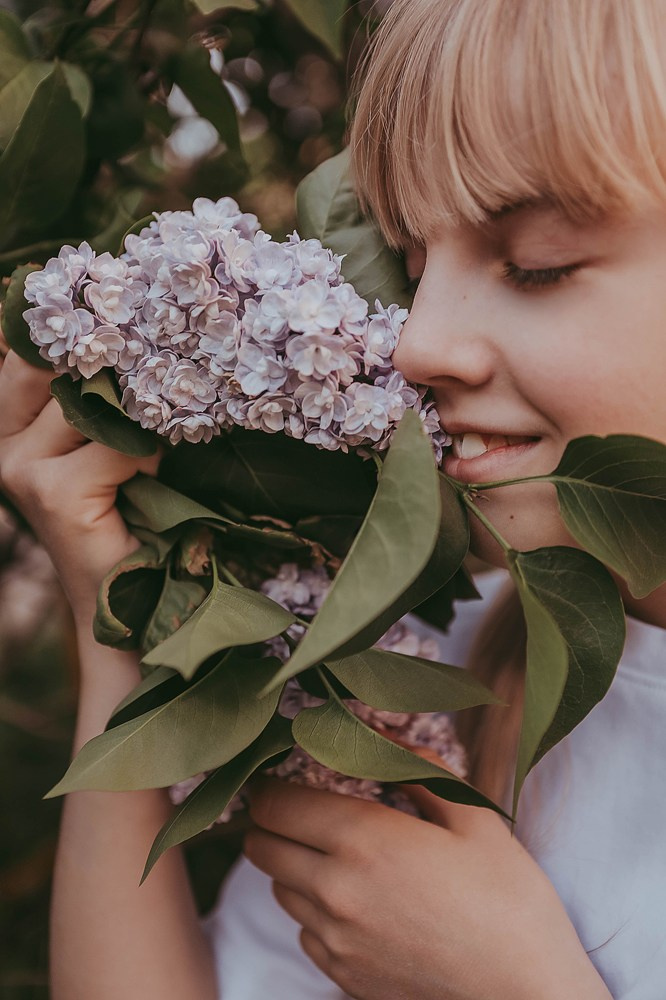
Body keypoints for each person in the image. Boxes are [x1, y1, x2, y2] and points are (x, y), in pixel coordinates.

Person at [1, 0, 666, 995]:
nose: (415, 343)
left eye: (536, 264)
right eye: (412, 261)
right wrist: (128, 634)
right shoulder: (424, 687)